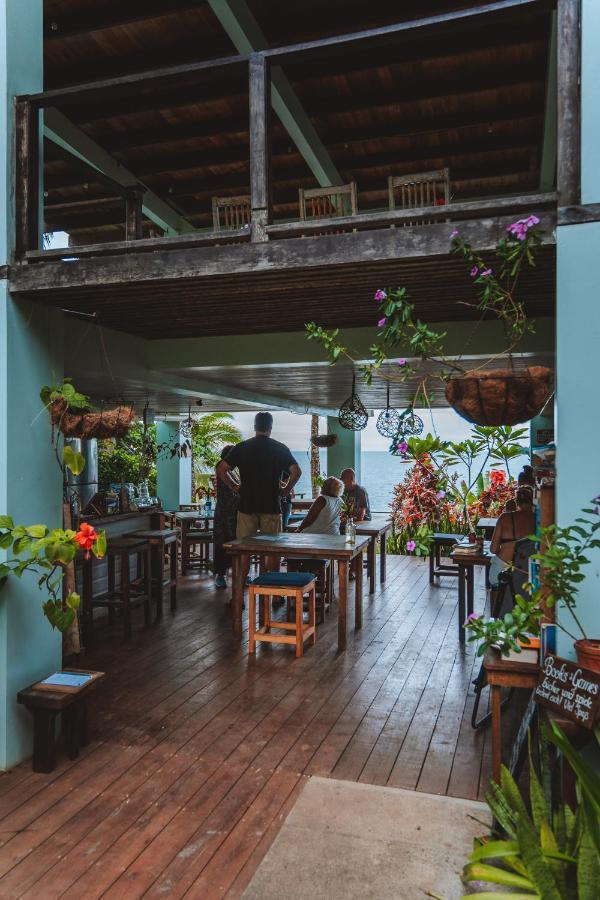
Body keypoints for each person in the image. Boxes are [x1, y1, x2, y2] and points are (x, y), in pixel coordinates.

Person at [216, 412, 302, 577]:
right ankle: (274, 595)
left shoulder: (242, 447)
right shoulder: (279, 448)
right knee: (272, 551)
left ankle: (239, 597)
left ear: (255, 427)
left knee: (244, 551)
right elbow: (296, 472)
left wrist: (235, 486)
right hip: (271, 506)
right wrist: (285, 490)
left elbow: (221, 469)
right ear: (270, 428)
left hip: (246, 505)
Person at [488, 486, 536, 587]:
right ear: (533, 502)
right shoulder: (539, 519)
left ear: (517, 502)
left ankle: (494, 602)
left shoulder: (505, 518)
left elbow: (493, 549)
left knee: (495, 589)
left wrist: (506, 546)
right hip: (527, 572)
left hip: (502, 570)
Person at [212, 445, 240, 589]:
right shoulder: (222, 467)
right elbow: (235, 488)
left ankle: (238, 573)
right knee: (222, 544)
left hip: (232, 513)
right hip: (224, 513)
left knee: (234, 544)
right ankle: (220, 575)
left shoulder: (232, 471)